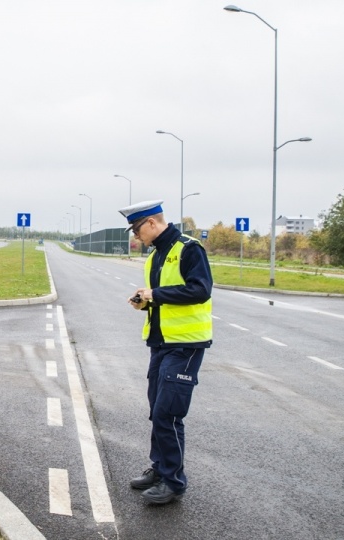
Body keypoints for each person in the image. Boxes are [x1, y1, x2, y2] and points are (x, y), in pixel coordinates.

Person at [119, 200, 213, 505]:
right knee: (156, 409)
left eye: (136, 230)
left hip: (185, 345)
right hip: (160, 344)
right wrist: (145, 302)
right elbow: (164, 298)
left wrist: (156, 295)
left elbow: (200, 290)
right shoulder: (156, 256)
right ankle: (159, 469)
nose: (136, 237)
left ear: (150, 223)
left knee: (167, 413)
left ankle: (173, 482)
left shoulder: (188, 248)